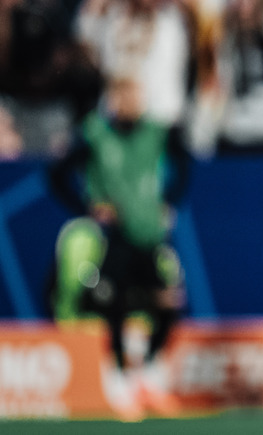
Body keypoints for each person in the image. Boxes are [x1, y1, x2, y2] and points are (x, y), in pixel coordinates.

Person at [49, 76, 190, 420]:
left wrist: (168, 201)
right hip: (114, 238)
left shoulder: (156, 132)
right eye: (122, 95)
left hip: (149, 236)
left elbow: (185, 163)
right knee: (112, 302)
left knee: (169, 305)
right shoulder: (96, 133)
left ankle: (150, 373)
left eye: (134, 94)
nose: (129, 102)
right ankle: (118, 377)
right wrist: (89, 205)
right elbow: (57, 174)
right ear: (112, 98)